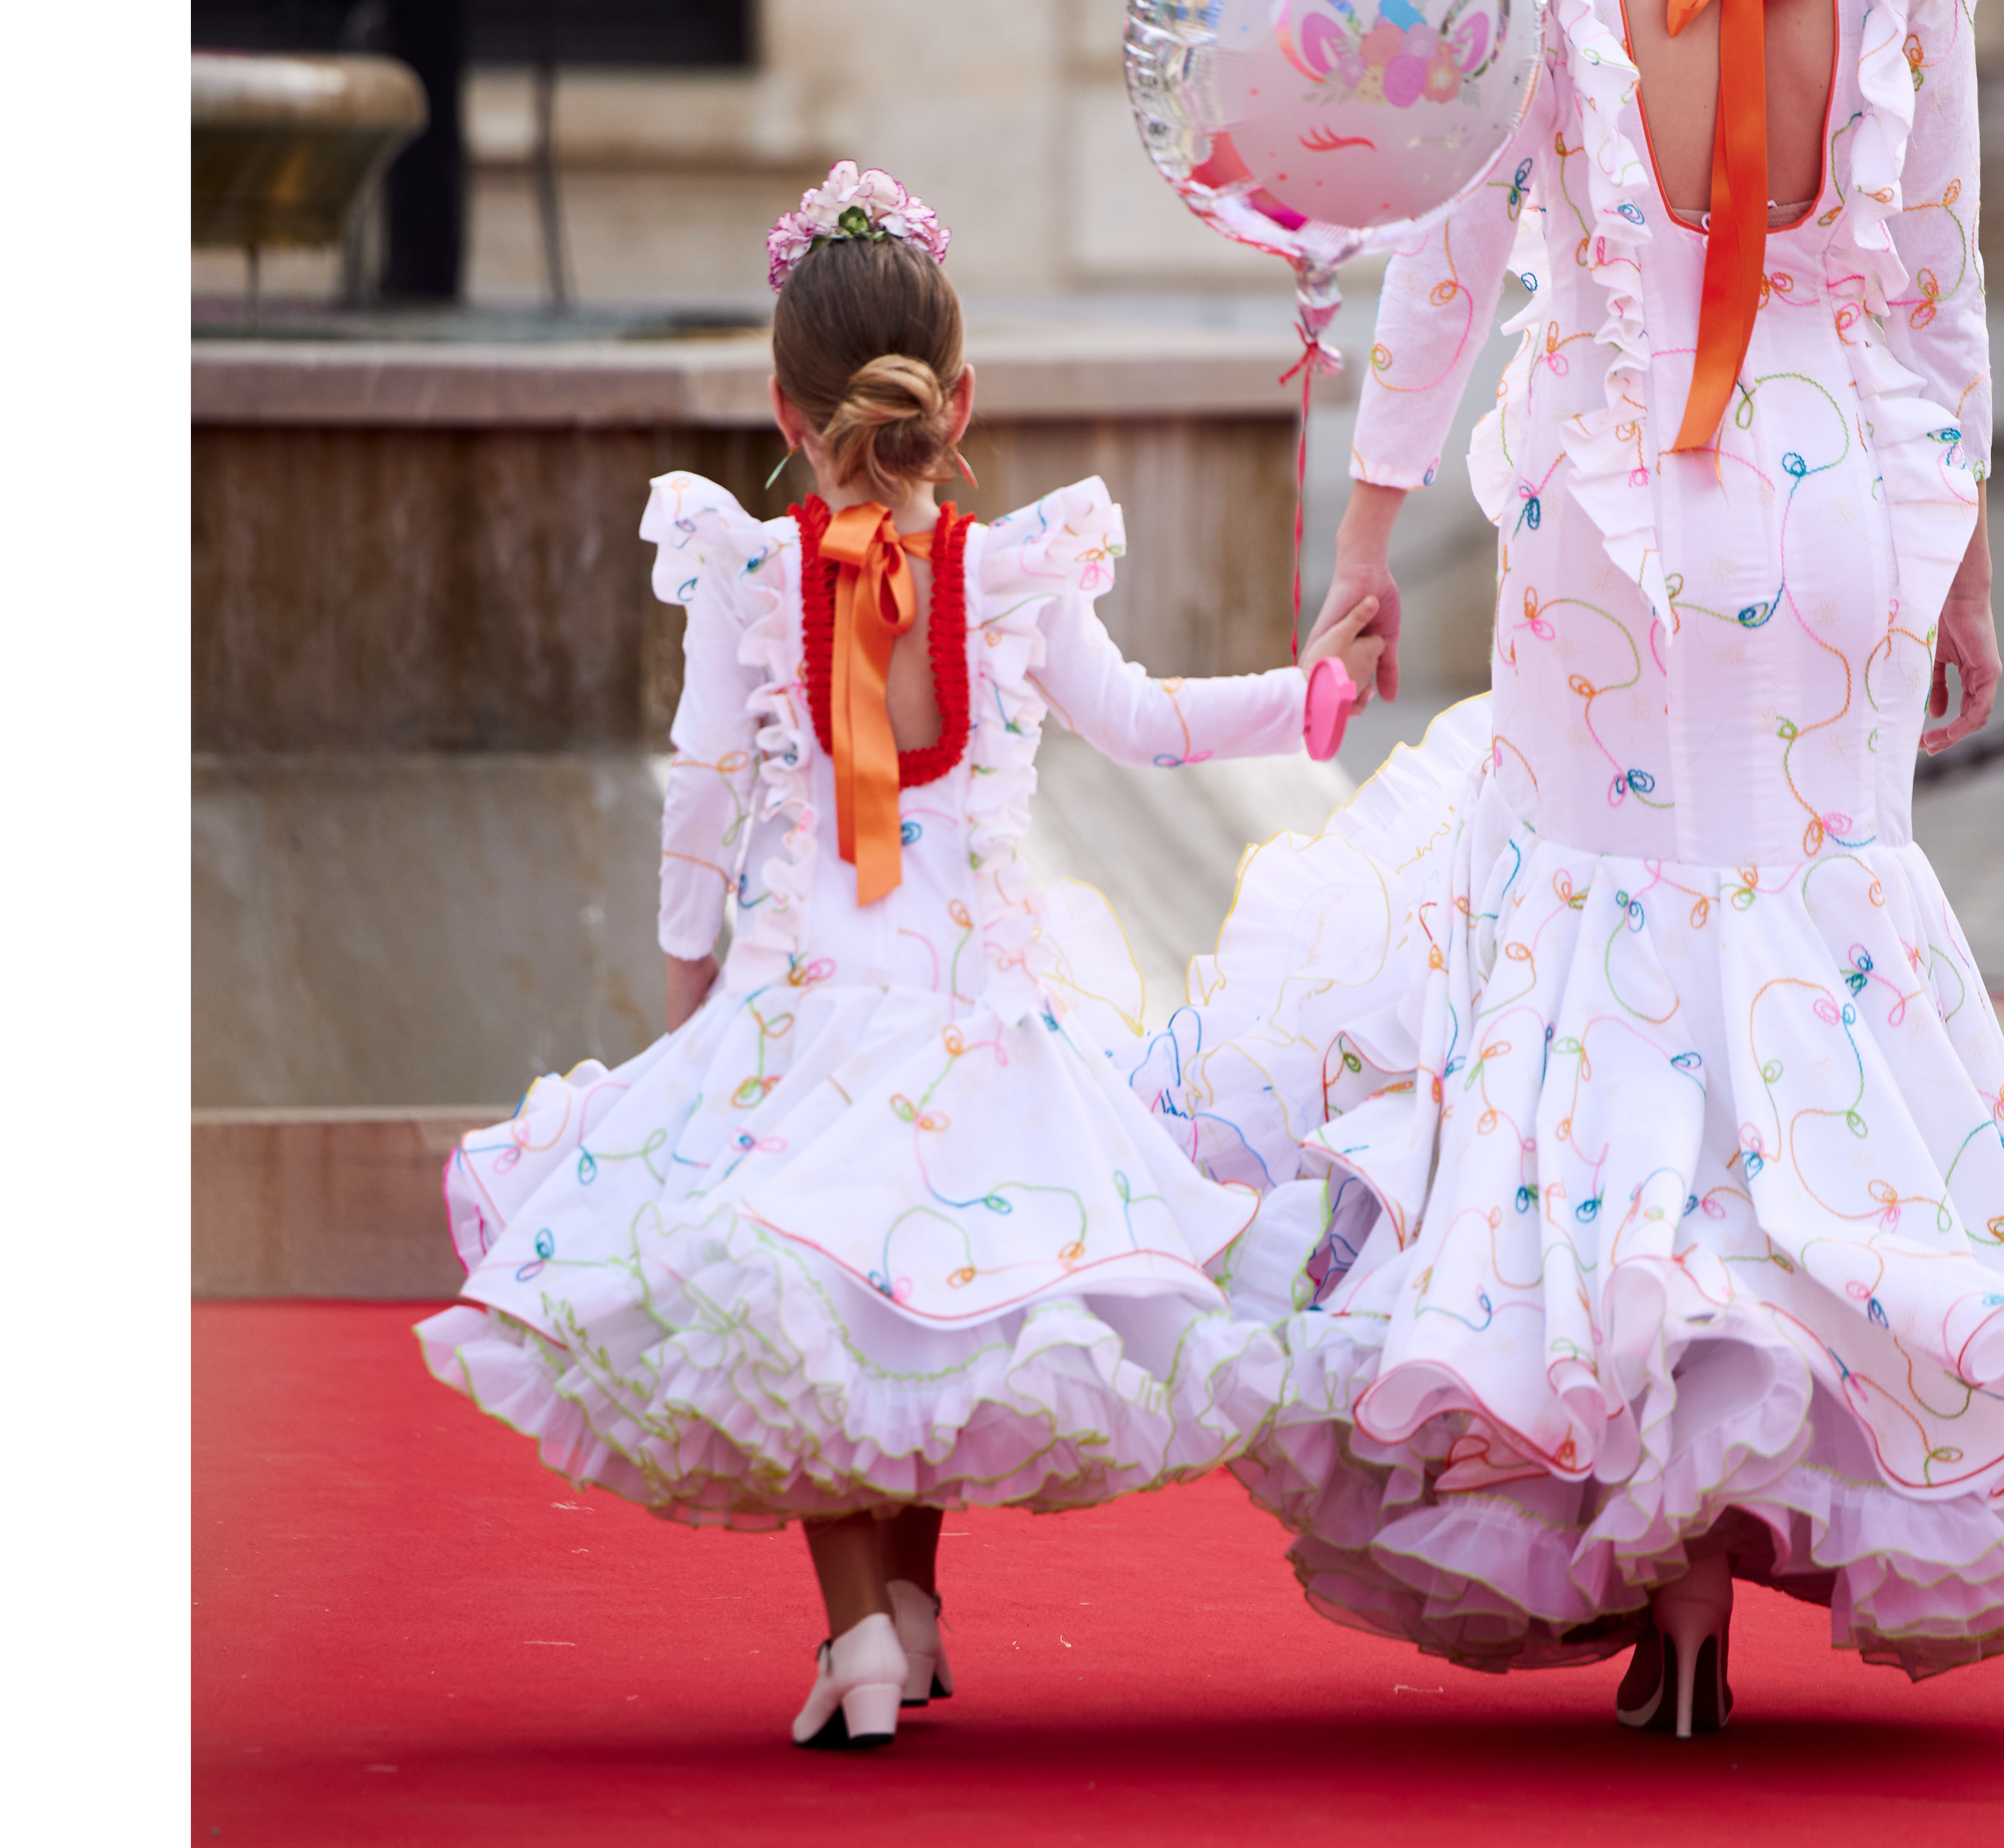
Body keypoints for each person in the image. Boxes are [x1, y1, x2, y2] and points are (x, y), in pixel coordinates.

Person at [1135, 0, 2004, 1734]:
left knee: (1618, 977)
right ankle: (1757, 1515)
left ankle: (1670, 1559)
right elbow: (1937, 288)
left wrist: (1360, 538)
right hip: (1831, 527)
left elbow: (1447, 268)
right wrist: (1964, 566)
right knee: (1808, 958)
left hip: (1617, 519)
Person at [416, 162, 1381, 1751]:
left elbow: (703, 805)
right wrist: (1311, 697)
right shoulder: (1009, 578)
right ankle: (915, 1614)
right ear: (961, 396)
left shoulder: (748, 579)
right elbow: (1142, 725)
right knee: (928, 1293)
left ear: (787, 414)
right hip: (975, 1020)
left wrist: (683, 1011)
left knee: (809, 1300)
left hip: (804, 1013)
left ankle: (864, 1624)